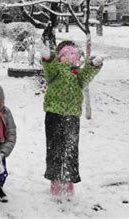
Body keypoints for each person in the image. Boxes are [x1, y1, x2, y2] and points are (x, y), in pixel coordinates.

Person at [41, 40, 103, 198]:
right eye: (66, 54)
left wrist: (93, 66)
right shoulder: (55, 71)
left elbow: (86, 76)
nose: (69, 57)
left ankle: (68, 179)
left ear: (77, 57)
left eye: (73, 54)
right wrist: (48, 58)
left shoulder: (78, 74)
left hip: (72, 116)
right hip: (54, 115)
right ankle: (55, 179)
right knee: (54, 149)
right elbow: (49, 68)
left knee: (70, 149)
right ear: (60, 57)